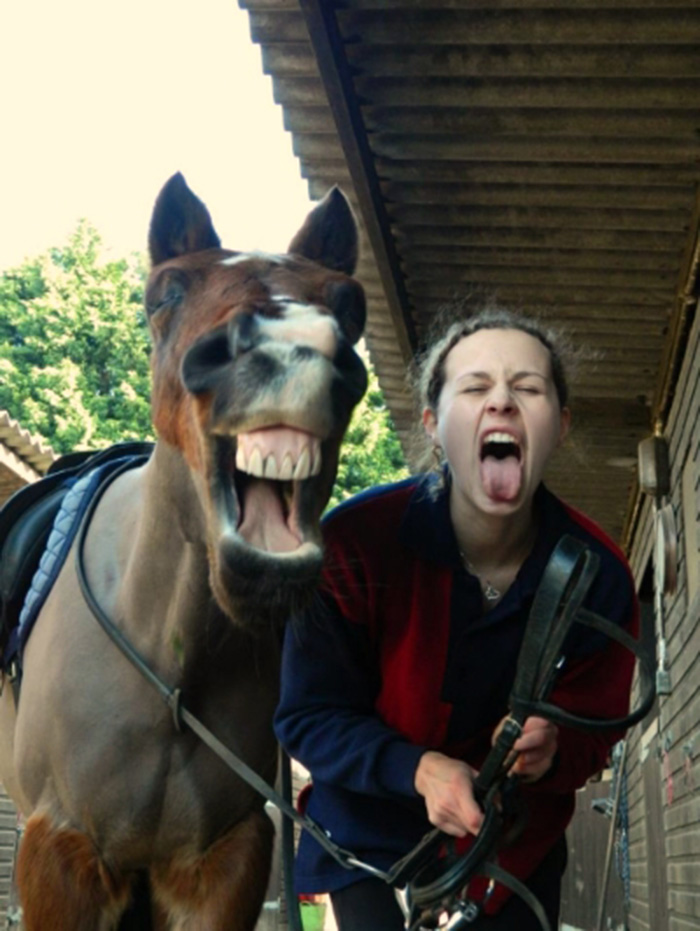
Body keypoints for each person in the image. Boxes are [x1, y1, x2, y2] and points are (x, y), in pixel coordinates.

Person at [274, 306, 637, 930]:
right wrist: (417, 769)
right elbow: (307, 715)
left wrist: (556, 750)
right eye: (474, 387)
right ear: (433, 425)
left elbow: (599, 726)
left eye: (528, 387)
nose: (501, 402)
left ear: (562, 426)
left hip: (515, 852)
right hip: (367, 847)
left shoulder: (599, 572)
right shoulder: (351, 547)